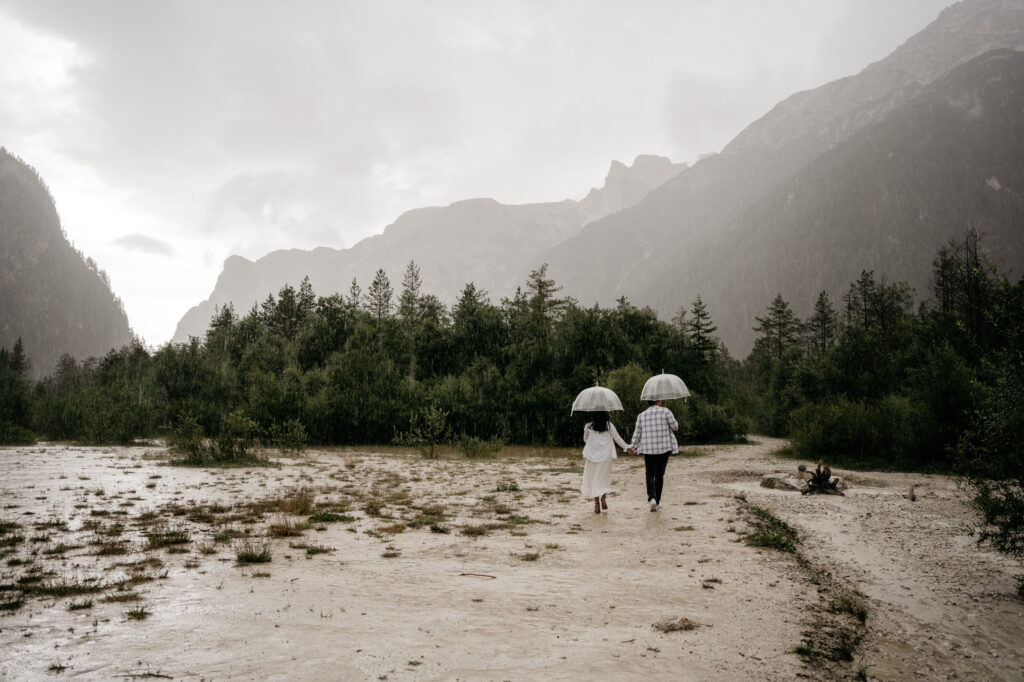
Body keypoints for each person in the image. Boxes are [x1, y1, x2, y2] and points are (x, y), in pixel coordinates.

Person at [627, 399, 679, 511]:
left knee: (650, 473)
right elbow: (675, 427)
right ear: (658, 401)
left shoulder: (641, 415)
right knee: (660, 475)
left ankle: (652, 499)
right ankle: (658, 501)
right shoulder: (666, 411)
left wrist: (632, 448)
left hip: (648, 448)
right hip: (664, 448)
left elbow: (637, 434)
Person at [581, 411, 630, 513]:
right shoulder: (609, 426)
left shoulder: (588, 426)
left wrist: (594, 441)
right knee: (603, 478)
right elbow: (617, 438)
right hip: (605, 455)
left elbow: (585, 440)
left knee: (594, 479)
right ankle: (603, 498)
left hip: (592, 456)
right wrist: (627, 447)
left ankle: (596, 504)